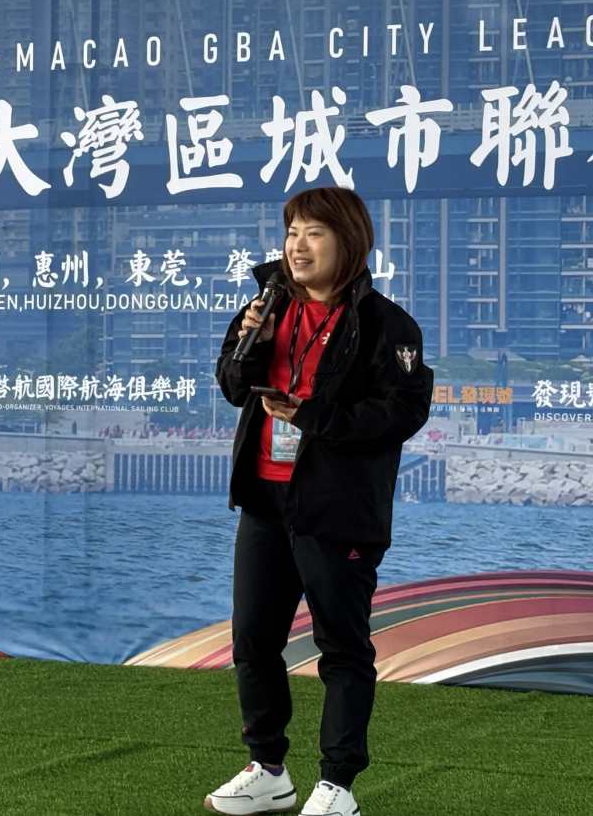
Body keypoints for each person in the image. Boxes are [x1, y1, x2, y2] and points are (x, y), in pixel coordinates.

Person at [204, 187, 433, 816]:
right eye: (291, 233)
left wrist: (315, 416)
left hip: (336, 507)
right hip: (263, 500)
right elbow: (232, 386)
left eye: (314, 233)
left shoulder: (386, 324)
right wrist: (247, 341)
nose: (297, 247)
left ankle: (337, 784)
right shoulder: (265, 308)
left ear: (348, 242)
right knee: (253, 641)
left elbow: (403, 411)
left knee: (342, 648)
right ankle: (267, 768)